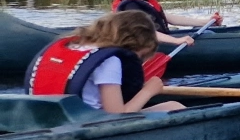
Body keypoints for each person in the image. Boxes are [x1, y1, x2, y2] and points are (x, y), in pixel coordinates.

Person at [27, 10, 185, 114]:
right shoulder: (109, 60)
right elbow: (116, 115)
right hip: (88, 124)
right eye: (140, 56)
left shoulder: (72, 45)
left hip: (50, 117)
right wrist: (148, 91)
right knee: (174, 107)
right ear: (134, 44)